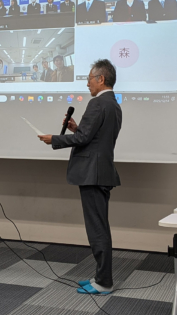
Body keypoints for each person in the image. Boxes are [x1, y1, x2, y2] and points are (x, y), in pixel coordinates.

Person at [38, 60, 122, 294]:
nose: (87, 84)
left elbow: (84, 140)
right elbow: (93, 137)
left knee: (97, 229)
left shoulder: (97, 103)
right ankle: (101, 276)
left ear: (101, 79)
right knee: (99, 226)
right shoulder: (113, 104)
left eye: (89, 79)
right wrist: (76, 129)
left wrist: (54, 139)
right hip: (101, 171)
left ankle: (104, 282)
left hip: (93, 174)